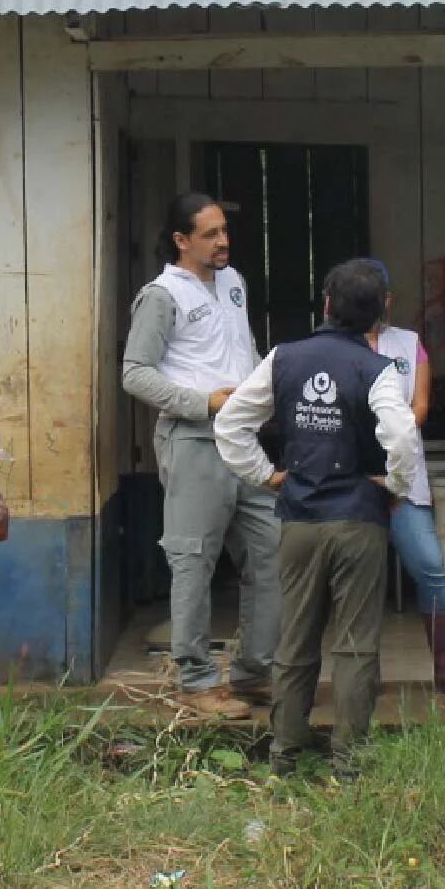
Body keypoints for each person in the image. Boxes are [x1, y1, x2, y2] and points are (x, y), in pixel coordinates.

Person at [214, 259, 424, 778]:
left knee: (295, 640)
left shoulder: (284, 358)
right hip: (359, 521)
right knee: (355, 646)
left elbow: (230, 423)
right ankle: (348, 763)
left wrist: (265, 475)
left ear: (326, 304)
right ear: (379, 316)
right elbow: (401, 437)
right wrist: (394, 487)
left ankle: (285, 755)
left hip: (300, 520)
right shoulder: (377, 370)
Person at [122, 192, 280, 719]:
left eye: (224, 232)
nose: (223, 242)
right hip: (193, 439)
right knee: (194, 560)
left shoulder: (233, 283)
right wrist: (204, 401)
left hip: (241, 438)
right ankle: (196, 680)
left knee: (271, 553)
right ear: (181, 240)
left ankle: (254, 673)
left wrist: (263, 395)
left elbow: (244, 350)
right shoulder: (162, 295)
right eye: (210, 234)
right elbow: (135, 373)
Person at [369, 266, 445, 695]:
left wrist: (383, 442)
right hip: (352, 481)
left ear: (389, 299)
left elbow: (421, 409)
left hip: (403, 481)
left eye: (382, 295)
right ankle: (363, 674)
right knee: (360, 580)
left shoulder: (409, 345)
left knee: (431, 569)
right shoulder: (333, 347)